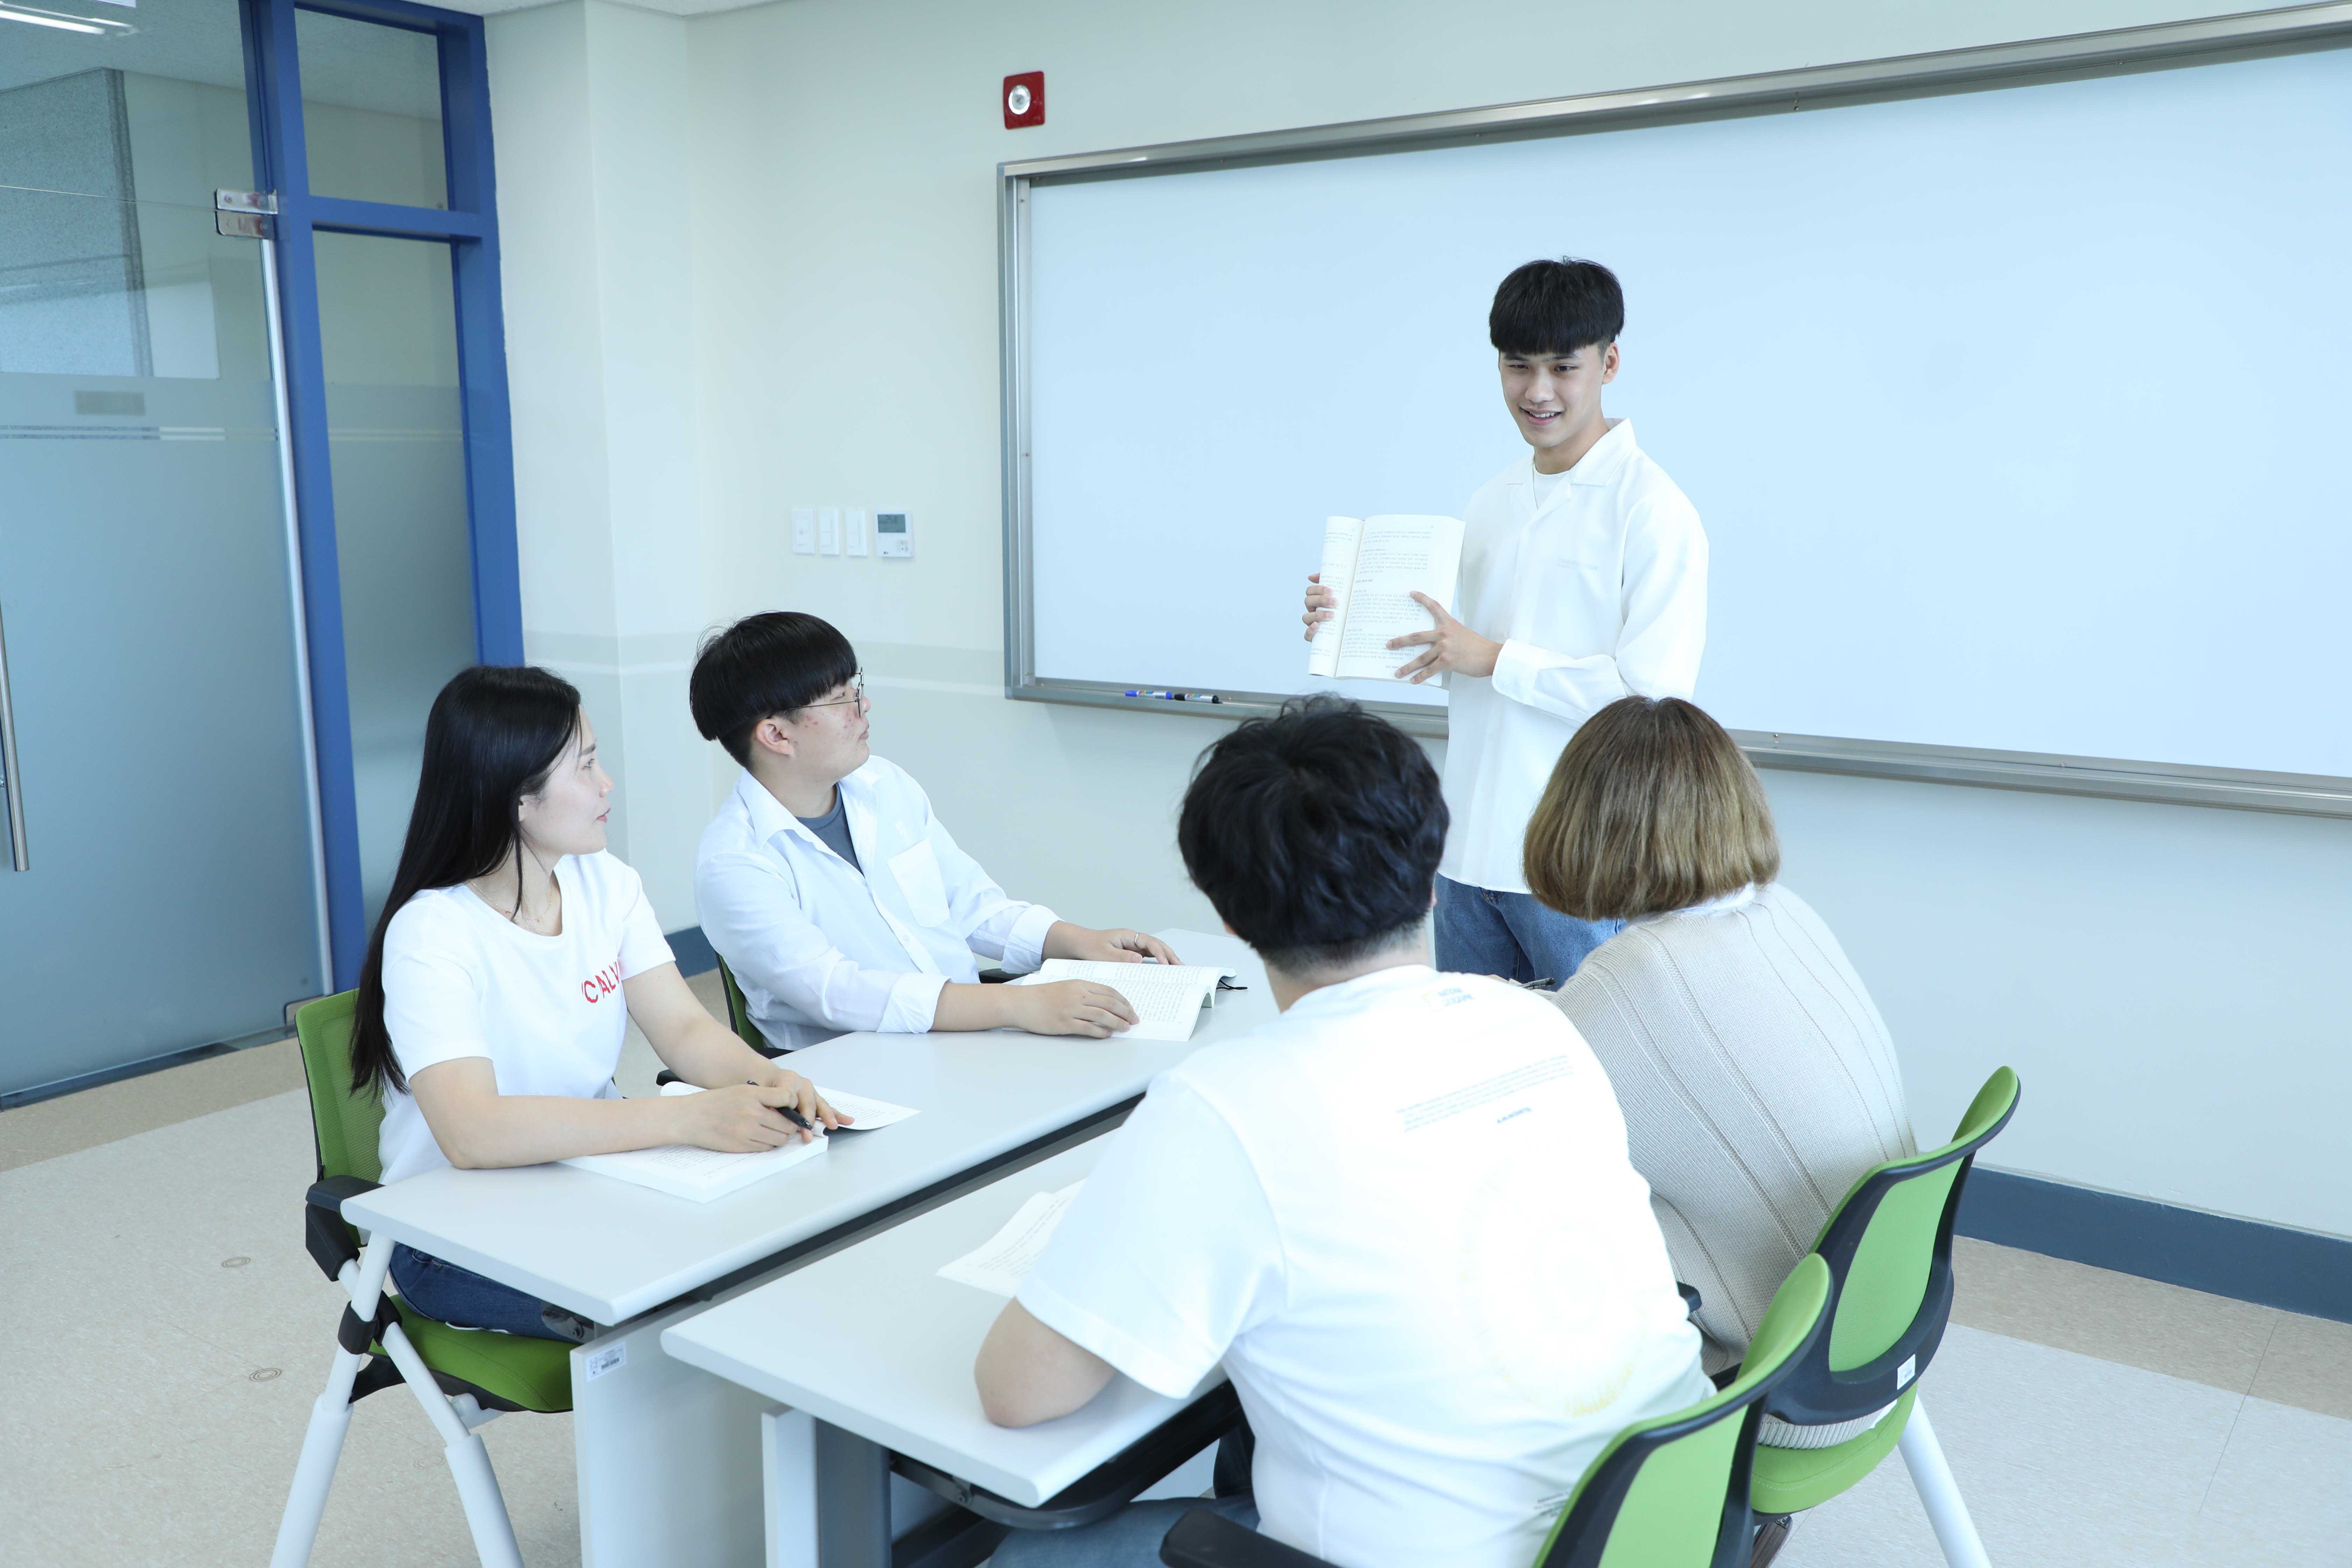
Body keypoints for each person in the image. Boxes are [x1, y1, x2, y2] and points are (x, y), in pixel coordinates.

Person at [973, 697, 1709, 1568]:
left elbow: (1018, 1393)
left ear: (1230, 913)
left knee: (1016, 1555)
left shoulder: (1226, 1108)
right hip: (1666, 1525)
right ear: (1430, 875)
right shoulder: (1541, 1022)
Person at [351, 665, 840, 1343]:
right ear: (517, 797)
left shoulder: (605, 882)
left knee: (773, 1248)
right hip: (451, 1234)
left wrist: (768, 1079)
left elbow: (683, 1027)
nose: (607, 782)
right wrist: (686, 1118)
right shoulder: (433, 932)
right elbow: (472, 1132)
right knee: (687, 1304)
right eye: (585, 765)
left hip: (588, 1181)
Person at [1302, 257, 1706, 987]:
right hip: (1467, 858)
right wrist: (1349, 620)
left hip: (1577, 865)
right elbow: (1453, 654)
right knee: (1471, 1057)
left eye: (1563, 367)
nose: (1538, 391)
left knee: (1593, 1055)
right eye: (1518, 366)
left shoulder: (1653, 509)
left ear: (1610, 363)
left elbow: (1654, 706)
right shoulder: (1490, 501)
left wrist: (1496, 659)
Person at [1525, 693, 1914, 1416]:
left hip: (1766, 1391)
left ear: (1584, 822)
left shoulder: (1636, 976)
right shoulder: (1786, 911)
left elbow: (1522, 1119)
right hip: (1882, 1340)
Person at [690, 611, 1178, 1053]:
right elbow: (835, 992)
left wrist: (1077, 940)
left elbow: (968, 903)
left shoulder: (885, 785)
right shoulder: (735, 863)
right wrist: (1020, 1006)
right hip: (856, 1070)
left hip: (967, 1036)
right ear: (777, 735)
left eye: (855, 687)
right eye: (840, 698)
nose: (864, 705)